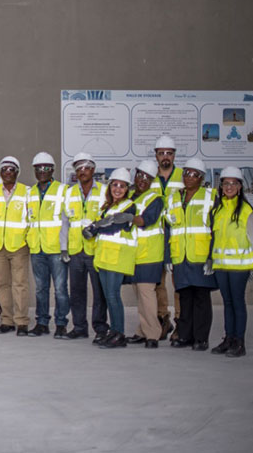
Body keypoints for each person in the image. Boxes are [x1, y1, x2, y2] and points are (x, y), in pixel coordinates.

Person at [167, 158, 217, 351]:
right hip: (180, 255)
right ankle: (185, 336)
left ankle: (201, 338)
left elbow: (217, 228)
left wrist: (213, 255)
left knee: (201, 298)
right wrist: (168, 258)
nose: (189, 177)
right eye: (186, 173)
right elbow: (169, 228)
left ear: (202, 178)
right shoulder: (174, 198)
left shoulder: (210, 196)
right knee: (184, 297)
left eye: (194, 174)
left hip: (201, 257)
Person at [210, 166, 253, 357]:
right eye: (225, 183)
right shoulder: (218, 210)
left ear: (240, 187)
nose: (229, 187)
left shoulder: (246, 211)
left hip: (240, 267)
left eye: (233, 183)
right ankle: (229, 338)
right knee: (227, 302)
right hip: (222, 266)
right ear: (221, 186)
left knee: (238, 302)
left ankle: (239, 342)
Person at [87, 168, 137, 349]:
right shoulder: (107, 207)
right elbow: (101, 227)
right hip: (104, 257)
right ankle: (113, 331)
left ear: (127, 189)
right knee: (108, 297)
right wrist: (96, 226)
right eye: (114, 185)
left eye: (122, 186)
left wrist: (95, 227)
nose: (117, 189)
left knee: (113, 296)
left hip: (118, 257)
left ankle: (119, 334)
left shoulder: (128, 206)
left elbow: (113, 227)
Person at [63, 152, 108, 341]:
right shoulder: (70, 192)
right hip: (75, 250)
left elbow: (108, 219)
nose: (83, 171)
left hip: (95, 249)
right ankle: (79, 327)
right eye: (79, 168)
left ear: (93, 169)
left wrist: (96, 229)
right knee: (77, 292)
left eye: (86, 167)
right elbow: (65, 222)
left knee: (99, 293)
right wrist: (64, 247)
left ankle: (100, 329)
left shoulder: (105, 191)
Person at [0, 156, 31, 336]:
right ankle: (7, 320)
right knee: (2, 285)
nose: (8, 173)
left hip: (19, 245)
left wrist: (27, 241)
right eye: (4, 170)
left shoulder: (26, 192)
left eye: (11, 170)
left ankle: (21, 321)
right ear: (0, 173)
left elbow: (31, 218)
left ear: (17, 172)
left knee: (19, 284)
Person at [26, 152, 70, 338]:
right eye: (38, 168)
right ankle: (41, 322)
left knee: (60, 288)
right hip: (37, 248)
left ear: (52, 170)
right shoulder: (30, 192)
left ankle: (61, 323)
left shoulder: (63, 190)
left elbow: (68, 220)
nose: (42, 171)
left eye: (46, 168)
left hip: (57, 249)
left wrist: (65, 245)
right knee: (41, 288)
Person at [125, 160, 165, 348]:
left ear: (152, 181)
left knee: (147, 295)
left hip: (149, 255)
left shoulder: (155, 199)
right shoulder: (132, 197)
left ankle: (153, 334)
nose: (142, 180)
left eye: (147, 178)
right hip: (134, 255)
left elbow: (145, 220)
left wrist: (127, 217)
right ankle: (142, 331)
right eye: (139, 175)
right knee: (139, 296)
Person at [151, 135, 183, 339]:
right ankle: (163, 319)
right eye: (161, 153)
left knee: (178, 281)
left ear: (174, 155)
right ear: (156, 155)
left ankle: (181, 321)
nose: (165, 157)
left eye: (169, 153)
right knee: (157, 282)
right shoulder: (149, 176)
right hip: (155, 234)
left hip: (177, 233)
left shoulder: (183, 175)